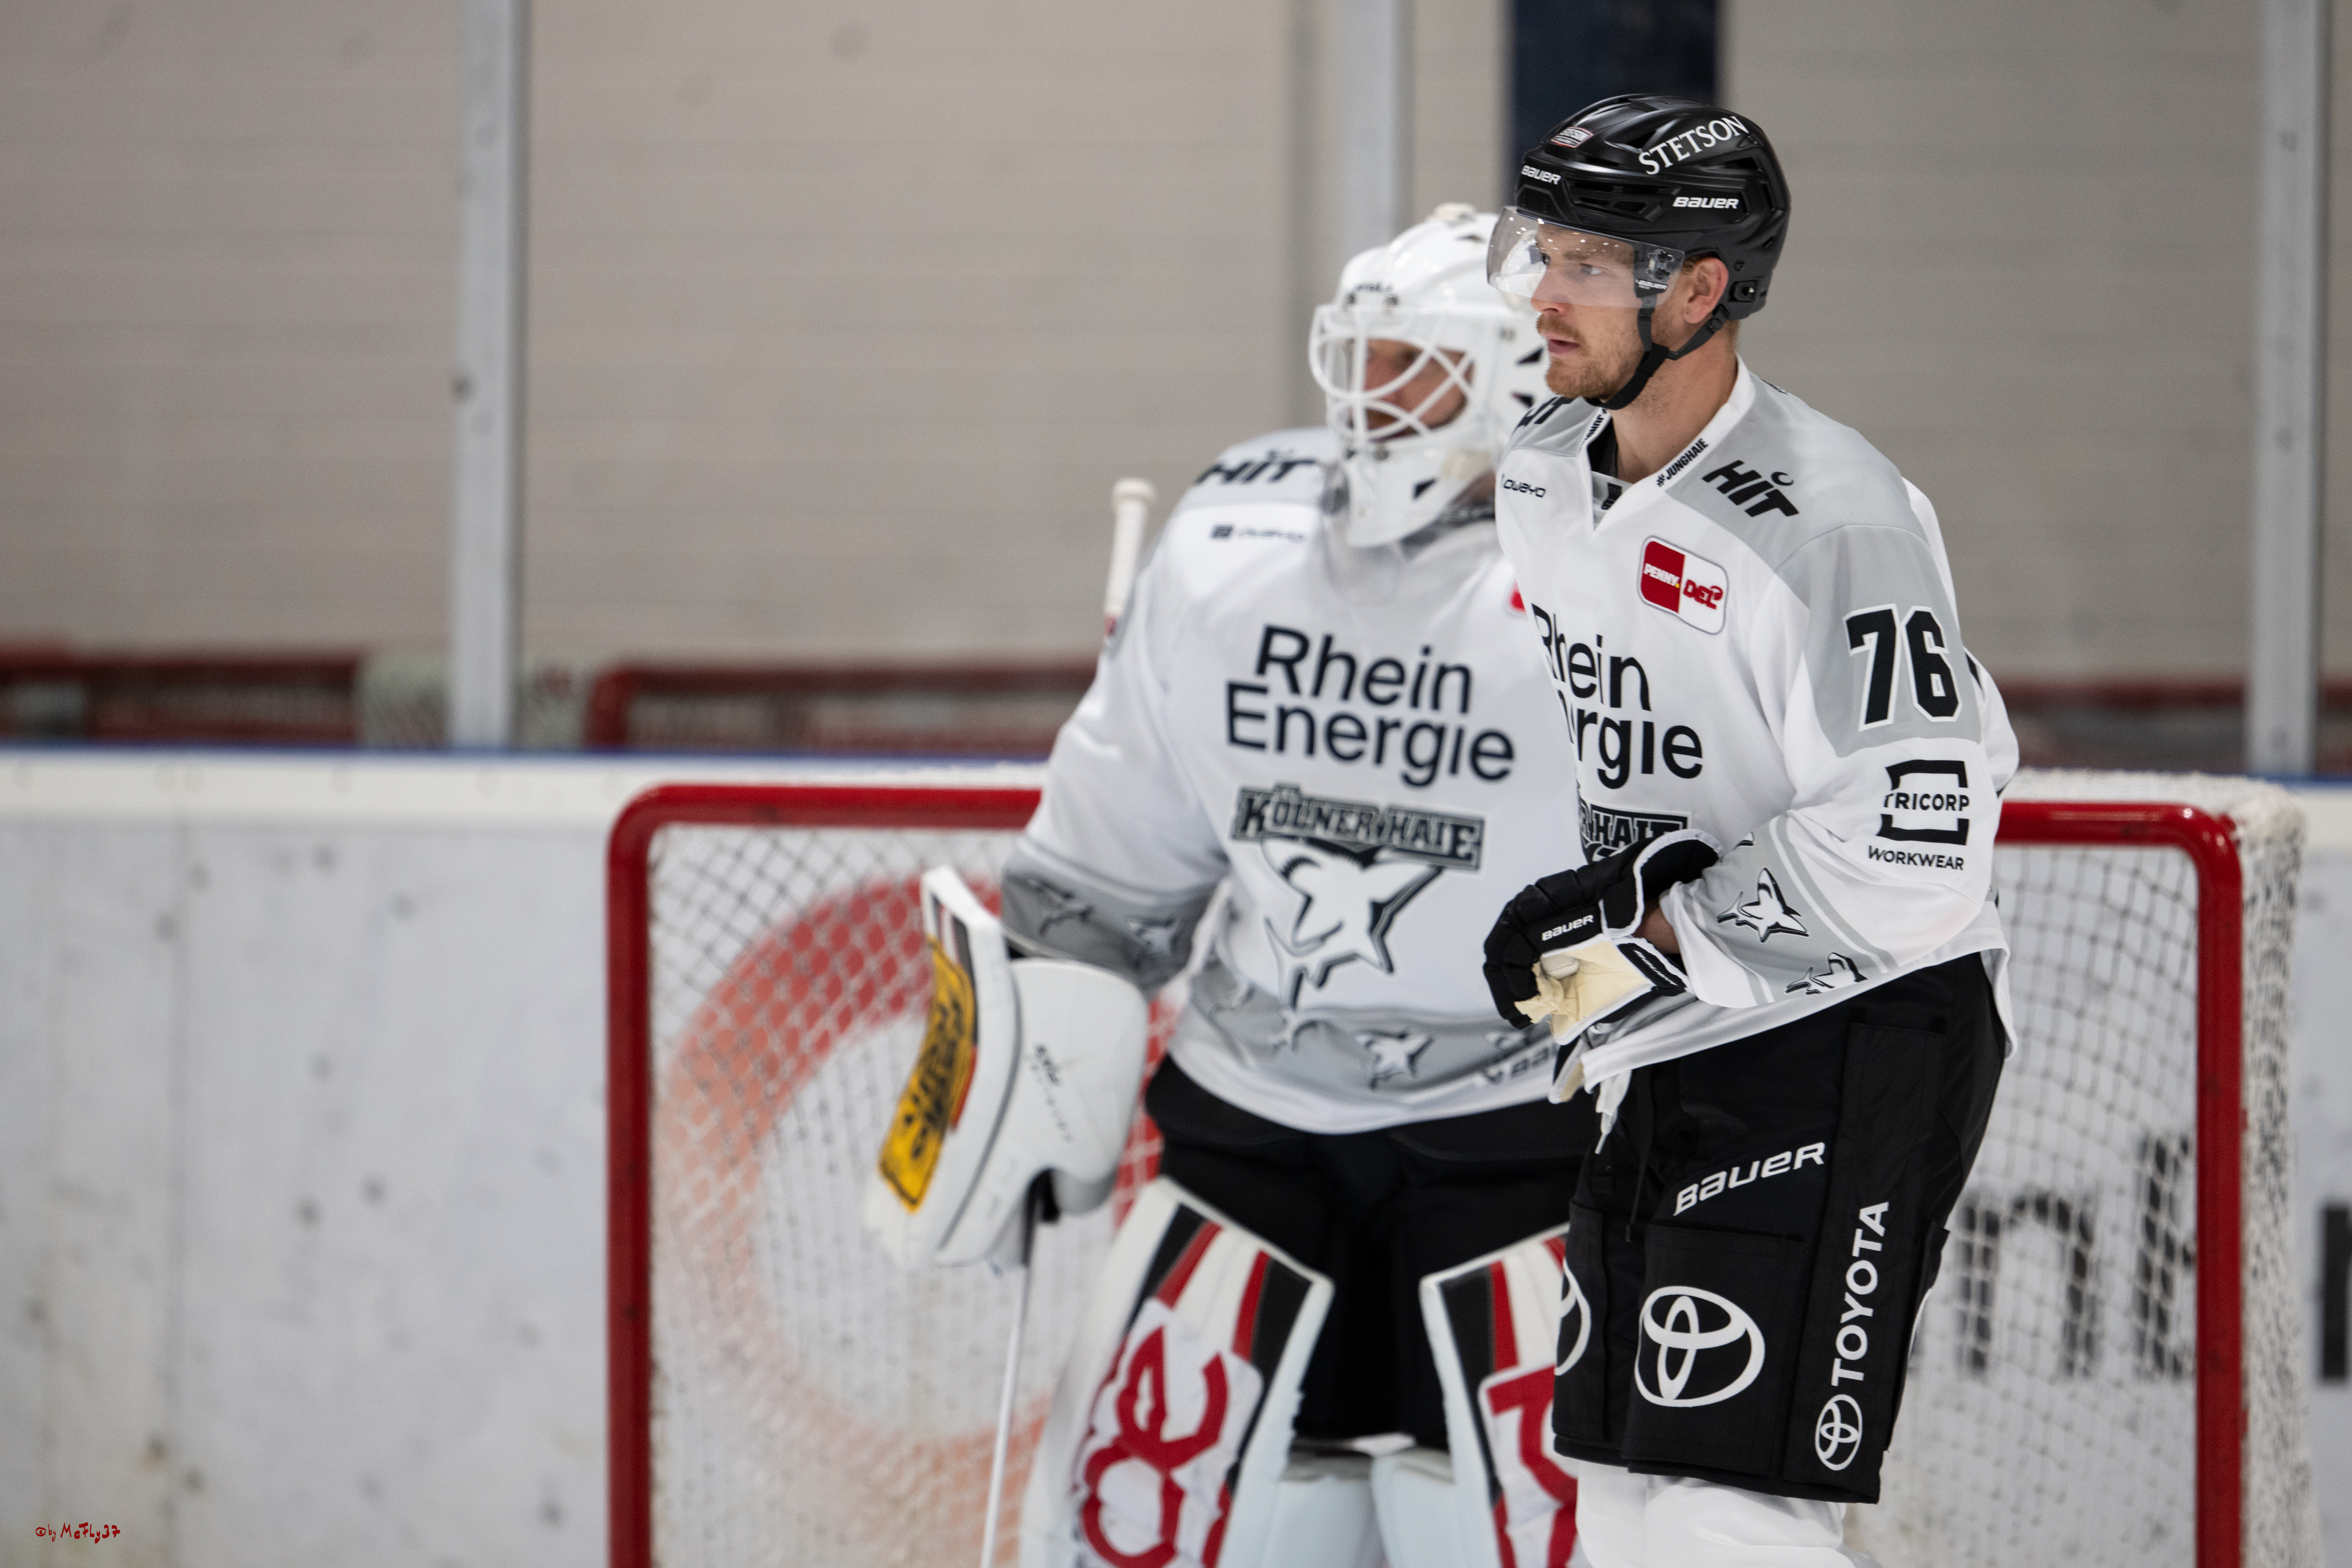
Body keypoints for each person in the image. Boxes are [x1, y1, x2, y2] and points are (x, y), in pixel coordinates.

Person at [1005, 206, 1597, 1567]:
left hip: (1530, 1141)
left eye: (1422, 364)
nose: (1378, 398)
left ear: (1516, 372)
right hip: (1250, 1135)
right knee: (1145, 1518)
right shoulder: (1233, 543)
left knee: (1535, 1525)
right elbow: (1113, 847)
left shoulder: (1619, 571)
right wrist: (1034, 1063)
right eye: (1365, 358)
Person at [1475, 96, 2019, 1567]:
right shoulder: (1543, 474)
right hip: (1680, 1029)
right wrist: (1596, 969)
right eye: (1547, 251)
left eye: (1590, 260)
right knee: (1626, 1488)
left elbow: (1915, 848)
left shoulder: (1836, 520)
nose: (1546, 293)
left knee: (1732, 1506)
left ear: (1701, 289)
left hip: (1861, 1024)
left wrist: (1644, 937)